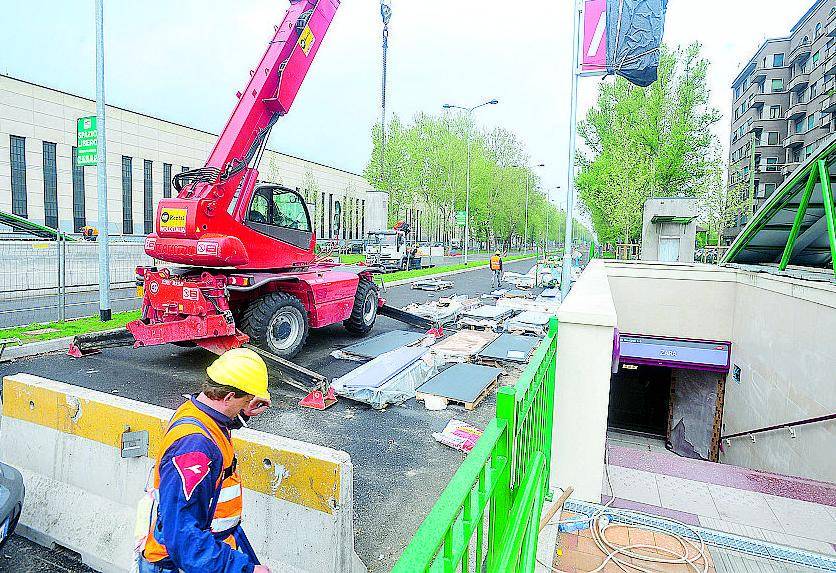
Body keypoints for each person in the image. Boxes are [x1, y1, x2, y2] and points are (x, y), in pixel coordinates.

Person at [138, 348, 273, 573]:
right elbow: (184, 538)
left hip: (205, 553)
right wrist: (243, 570)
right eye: (247, 401)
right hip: (178, 565)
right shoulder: (195, 448)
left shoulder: (197, 412)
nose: (247, 408)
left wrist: (245, 411)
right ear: (229, 396)